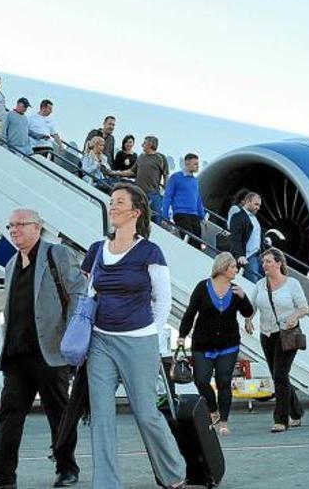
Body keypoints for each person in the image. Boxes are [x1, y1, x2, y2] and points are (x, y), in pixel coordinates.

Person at [81, 183, 186, 489]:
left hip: (139, 340)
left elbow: (163, 300)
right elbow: (90, 293)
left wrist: (149, 333)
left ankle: (173, 472)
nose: (112, 206)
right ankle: (106, 483)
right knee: (101, 415)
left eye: (119, 202)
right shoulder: (97, 249)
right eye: (111, 201)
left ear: (135, 212)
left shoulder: (150, 251)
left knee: (145, 413)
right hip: (100, 340)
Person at [0, 209, 82, 489]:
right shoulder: (10, 264)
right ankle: (2, 476)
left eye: (20, 225)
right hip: (16, 355)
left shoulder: (56, 254)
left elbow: (78, 293)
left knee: (59, 414)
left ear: (38, 227)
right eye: (11, 226)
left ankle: (67, 469)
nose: (14, 230)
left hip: (49, 351)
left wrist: (70, 338)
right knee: (9, 417)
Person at [178, 252, 254, 436]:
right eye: (233, 266)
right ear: (223, 267)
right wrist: (182, 335)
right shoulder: (202, 287)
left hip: (228, 344)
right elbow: (190, 313)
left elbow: (248, 312)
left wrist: (244, 297)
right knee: (201, 380)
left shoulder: (236, 290)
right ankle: (213, 410)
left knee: (224, 381)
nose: (236, 269)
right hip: (202, 344)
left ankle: (224, 422)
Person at [245, 248, 308, 433]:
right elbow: (253, 305)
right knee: (278, 375)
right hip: (267, 335)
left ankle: (281, 419)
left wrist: (295, 316)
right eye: (264, 262)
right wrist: (248, 319)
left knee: (280, 375)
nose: (265, 265)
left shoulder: (292, 284)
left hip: (287, 334)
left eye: (269, 261)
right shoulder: (260, 285)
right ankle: (296, 412)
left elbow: (304, 307)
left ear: (279, 263)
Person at [111, 136, 169, 222]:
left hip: (153, 193)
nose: (142, 145)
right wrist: (116, 173)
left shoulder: (161, 158)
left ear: (150, 144)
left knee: (157, 217)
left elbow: (166, 175)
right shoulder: (141, 157)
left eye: (144, 143)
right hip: (137, 191)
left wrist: (166, 189)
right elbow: (132, 171)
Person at [161, 153, 205, 247]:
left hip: (195, 216)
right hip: (181, 214)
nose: (198, 166)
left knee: (198, 244)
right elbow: (168, 196)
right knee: (189, 242)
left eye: (198, 164)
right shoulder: (176, 177)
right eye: (195, 164)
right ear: (187, 163)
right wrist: (165, 215)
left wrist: (202, 216)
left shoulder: (195, 181)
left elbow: (198, 199)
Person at [229, 191, 263, 282]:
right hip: (248, 256)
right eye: (256, 204)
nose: (258, 208)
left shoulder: (255, 218)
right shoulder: (238, 216)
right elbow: (236, 238)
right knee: (252, 282)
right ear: (247, 202)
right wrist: (240, 255)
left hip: (258, 256)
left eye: (259, 205)